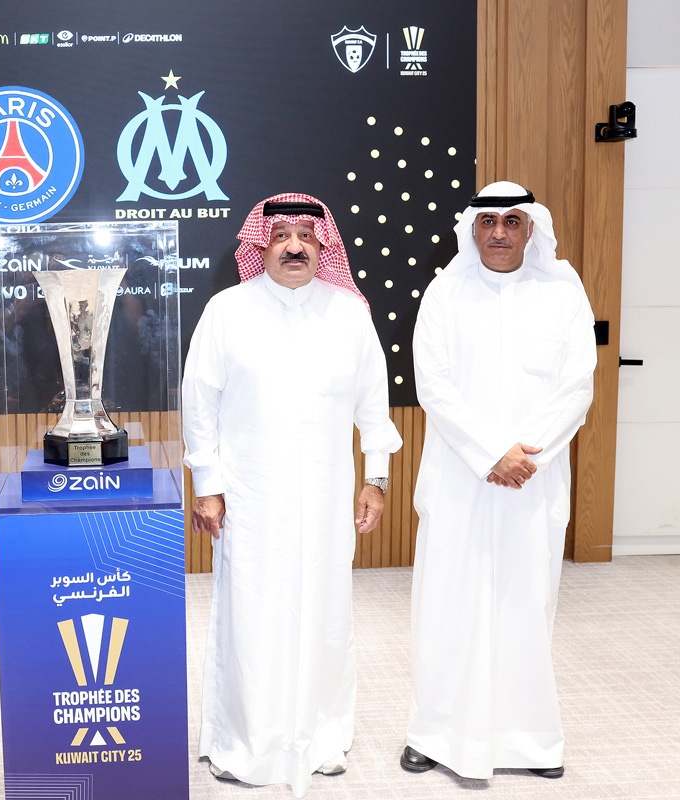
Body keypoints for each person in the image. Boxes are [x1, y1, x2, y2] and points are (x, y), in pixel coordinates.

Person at [183, 193, 402, 797]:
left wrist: (377, 478)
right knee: (252, 613)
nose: (295, 246)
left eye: (306, 234)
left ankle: (322, 737)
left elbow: (373, 404)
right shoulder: (227, 311)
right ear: (261, 244)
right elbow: (199, 406)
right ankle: (243, 742)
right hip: (250, 497)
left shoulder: (349, 313)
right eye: (281, 234)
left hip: (328, 497)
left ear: (324, 246)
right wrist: (208, 487)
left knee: (325, 612)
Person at [402, 181, 596, 780]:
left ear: (531, 228)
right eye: (489, 222)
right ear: (473, 229)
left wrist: (524, 456)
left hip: (533, 479)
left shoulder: (562, 292)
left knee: (525, 602)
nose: (500, 232)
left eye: (513, 221)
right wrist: (491, 453)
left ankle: (529, 741)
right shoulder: (445, 292)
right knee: (447, 604)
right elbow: (433, 385)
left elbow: (578, 385)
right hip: (461, 477)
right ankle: (433, 734)